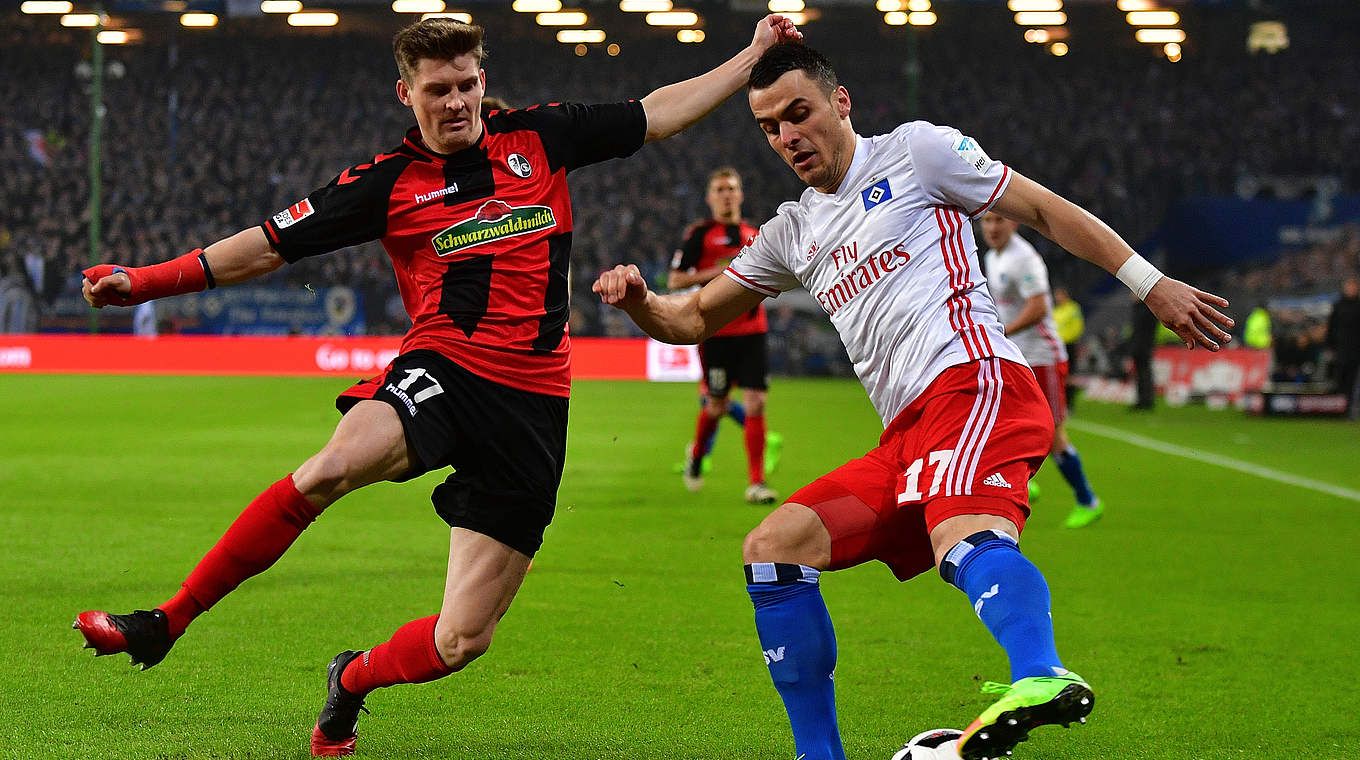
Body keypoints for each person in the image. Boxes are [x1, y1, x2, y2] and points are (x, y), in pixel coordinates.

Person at [72, 15, 802, 758]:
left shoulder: (542, 138)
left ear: (483, 81)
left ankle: (351, 681)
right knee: (331, 466)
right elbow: (266, 246)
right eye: (436, 91)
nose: (454, 103)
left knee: (460, 640)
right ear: (406, 94)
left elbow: (656, 114)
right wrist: (144, 285)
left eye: (465, 85)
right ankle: (169, 618)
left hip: (535, 406)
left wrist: (751, 57)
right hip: (445, 368)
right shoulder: (385, 183)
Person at [592, 42, 1233, 760]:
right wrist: (642, 301)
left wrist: (1151, 285)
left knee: (960, 532)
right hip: (905, 434)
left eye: (799, 113)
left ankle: (1042, 674)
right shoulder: (792, 232)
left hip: (975, 381)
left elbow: (1044, 210)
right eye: (769, 127)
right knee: (773, 551)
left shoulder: (917, 154)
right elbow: (692, 318)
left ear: (841, 103)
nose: (786, 136)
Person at [981, 214, 1101, 528]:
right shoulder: (992, 257)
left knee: (1053, 435)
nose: (993, 228)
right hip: (1017, 355)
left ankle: (1087, 499)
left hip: (1043, 357)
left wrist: (1001, 331)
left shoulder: (1025, 259)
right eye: (987, 221)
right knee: (1001, 419)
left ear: (1014, 224)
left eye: (999, 221)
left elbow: (1038, 308)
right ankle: (1024, 482)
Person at [669, 167, 778, 503]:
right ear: (710, 197)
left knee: (756, 403)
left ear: (740, 194)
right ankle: (698, 456)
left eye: (732, 188)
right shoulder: (700, 235)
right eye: (720, 189)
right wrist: (720, 272)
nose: (726, 194)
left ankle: (756, 483)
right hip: (715, 333)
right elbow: (675, 280)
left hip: (752, 331)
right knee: (715, 406)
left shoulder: (756, 235)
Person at [1326, 276, 1360, 418]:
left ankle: (1350, 410)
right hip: (1341, 348)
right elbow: (1332, 327)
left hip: (1356, 349)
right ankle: (1338, 409)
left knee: (1353, 381)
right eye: (1349, 286)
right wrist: (1329, 346)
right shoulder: (1338, 305)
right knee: (1339, 378)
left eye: (1354, 286)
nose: (1351, 289)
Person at [1051, 285, 1084, 411]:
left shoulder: (1073, 308)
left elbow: (1077, 327)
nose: (1057, 297)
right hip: (1057, 346)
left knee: (1070, 375)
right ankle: (1060, 403)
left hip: (1069, 345)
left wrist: (1066, 338)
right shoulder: (1056, 310)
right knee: (1058, 375)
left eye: (1059, 295)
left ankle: (1070, 404)